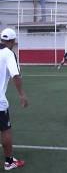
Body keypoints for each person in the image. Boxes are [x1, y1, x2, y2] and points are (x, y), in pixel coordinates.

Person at [0, 28, 28, 171]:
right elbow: (15, 76)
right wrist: (22, 94)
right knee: (5, 130)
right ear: (12, 41)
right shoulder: (8, 54)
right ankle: (9, 162)